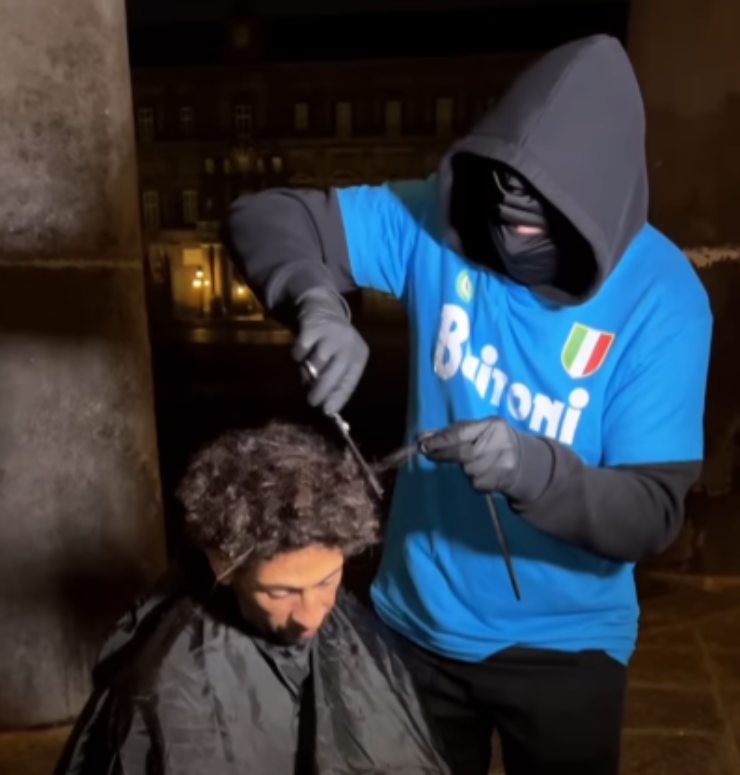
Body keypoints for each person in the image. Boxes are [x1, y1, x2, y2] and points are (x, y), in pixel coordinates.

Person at [225, 34, 713, 775]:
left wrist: (532, 468)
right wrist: (317, 301)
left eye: (541, 207)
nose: (511, 212)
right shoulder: (441, 219)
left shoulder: (664, 300)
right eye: (503, 186)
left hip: (567, 648)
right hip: (412, 628)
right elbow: (269, 216)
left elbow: (650, 513)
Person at [54, 421, 450, 775]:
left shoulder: (356, 636)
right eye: (281, 592)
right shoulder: (173, 679)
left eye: (328, 581)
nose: (311, 616)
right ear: (223, 567)